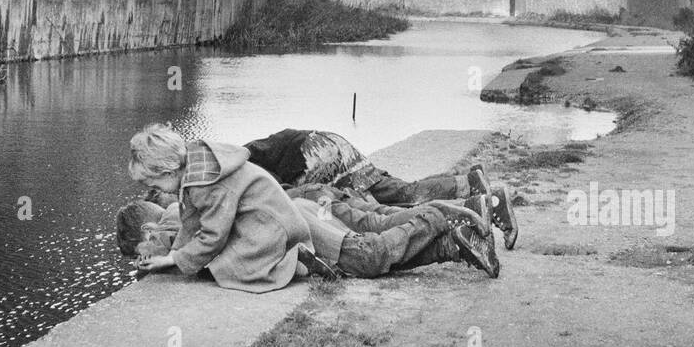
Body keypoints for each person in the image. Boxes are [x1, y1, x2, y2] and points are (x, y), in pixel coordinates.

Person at [117, 180, 500, 281]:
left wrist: (164, 261)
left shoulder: (179, 221)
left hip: (297, 222)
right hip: (304, 205)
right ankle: (452, 244)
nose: (143, 261)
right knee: (377, 234)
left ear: (150, 232)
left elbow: (195, 247)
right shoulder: (179, 215)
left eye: (140, 253)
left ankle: (437, 215)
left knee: (371, 257)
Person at [242, 127, 520, 249]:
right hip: (326, 144)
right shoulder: (238, 157)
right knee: (396, 193)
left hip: (315, 156)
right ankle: (474, 187)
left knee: (379, 211)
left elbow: (278, 195)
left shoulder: (243, 166)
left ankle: (478, 201)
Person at [126, 123, 309, 293]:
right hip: (263, 220)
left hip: (271, 227)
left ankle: (294, 263)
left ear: (169, 173)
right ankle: (288, 257)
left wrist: (173, 260)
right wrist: (174, 254)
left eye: (156, 186)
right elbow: (191, 222)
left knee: (227, 270)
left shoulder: (205, 185)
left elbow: (213, 237)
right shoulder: (194, 164)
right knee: (206, 262)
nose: (156, 191)